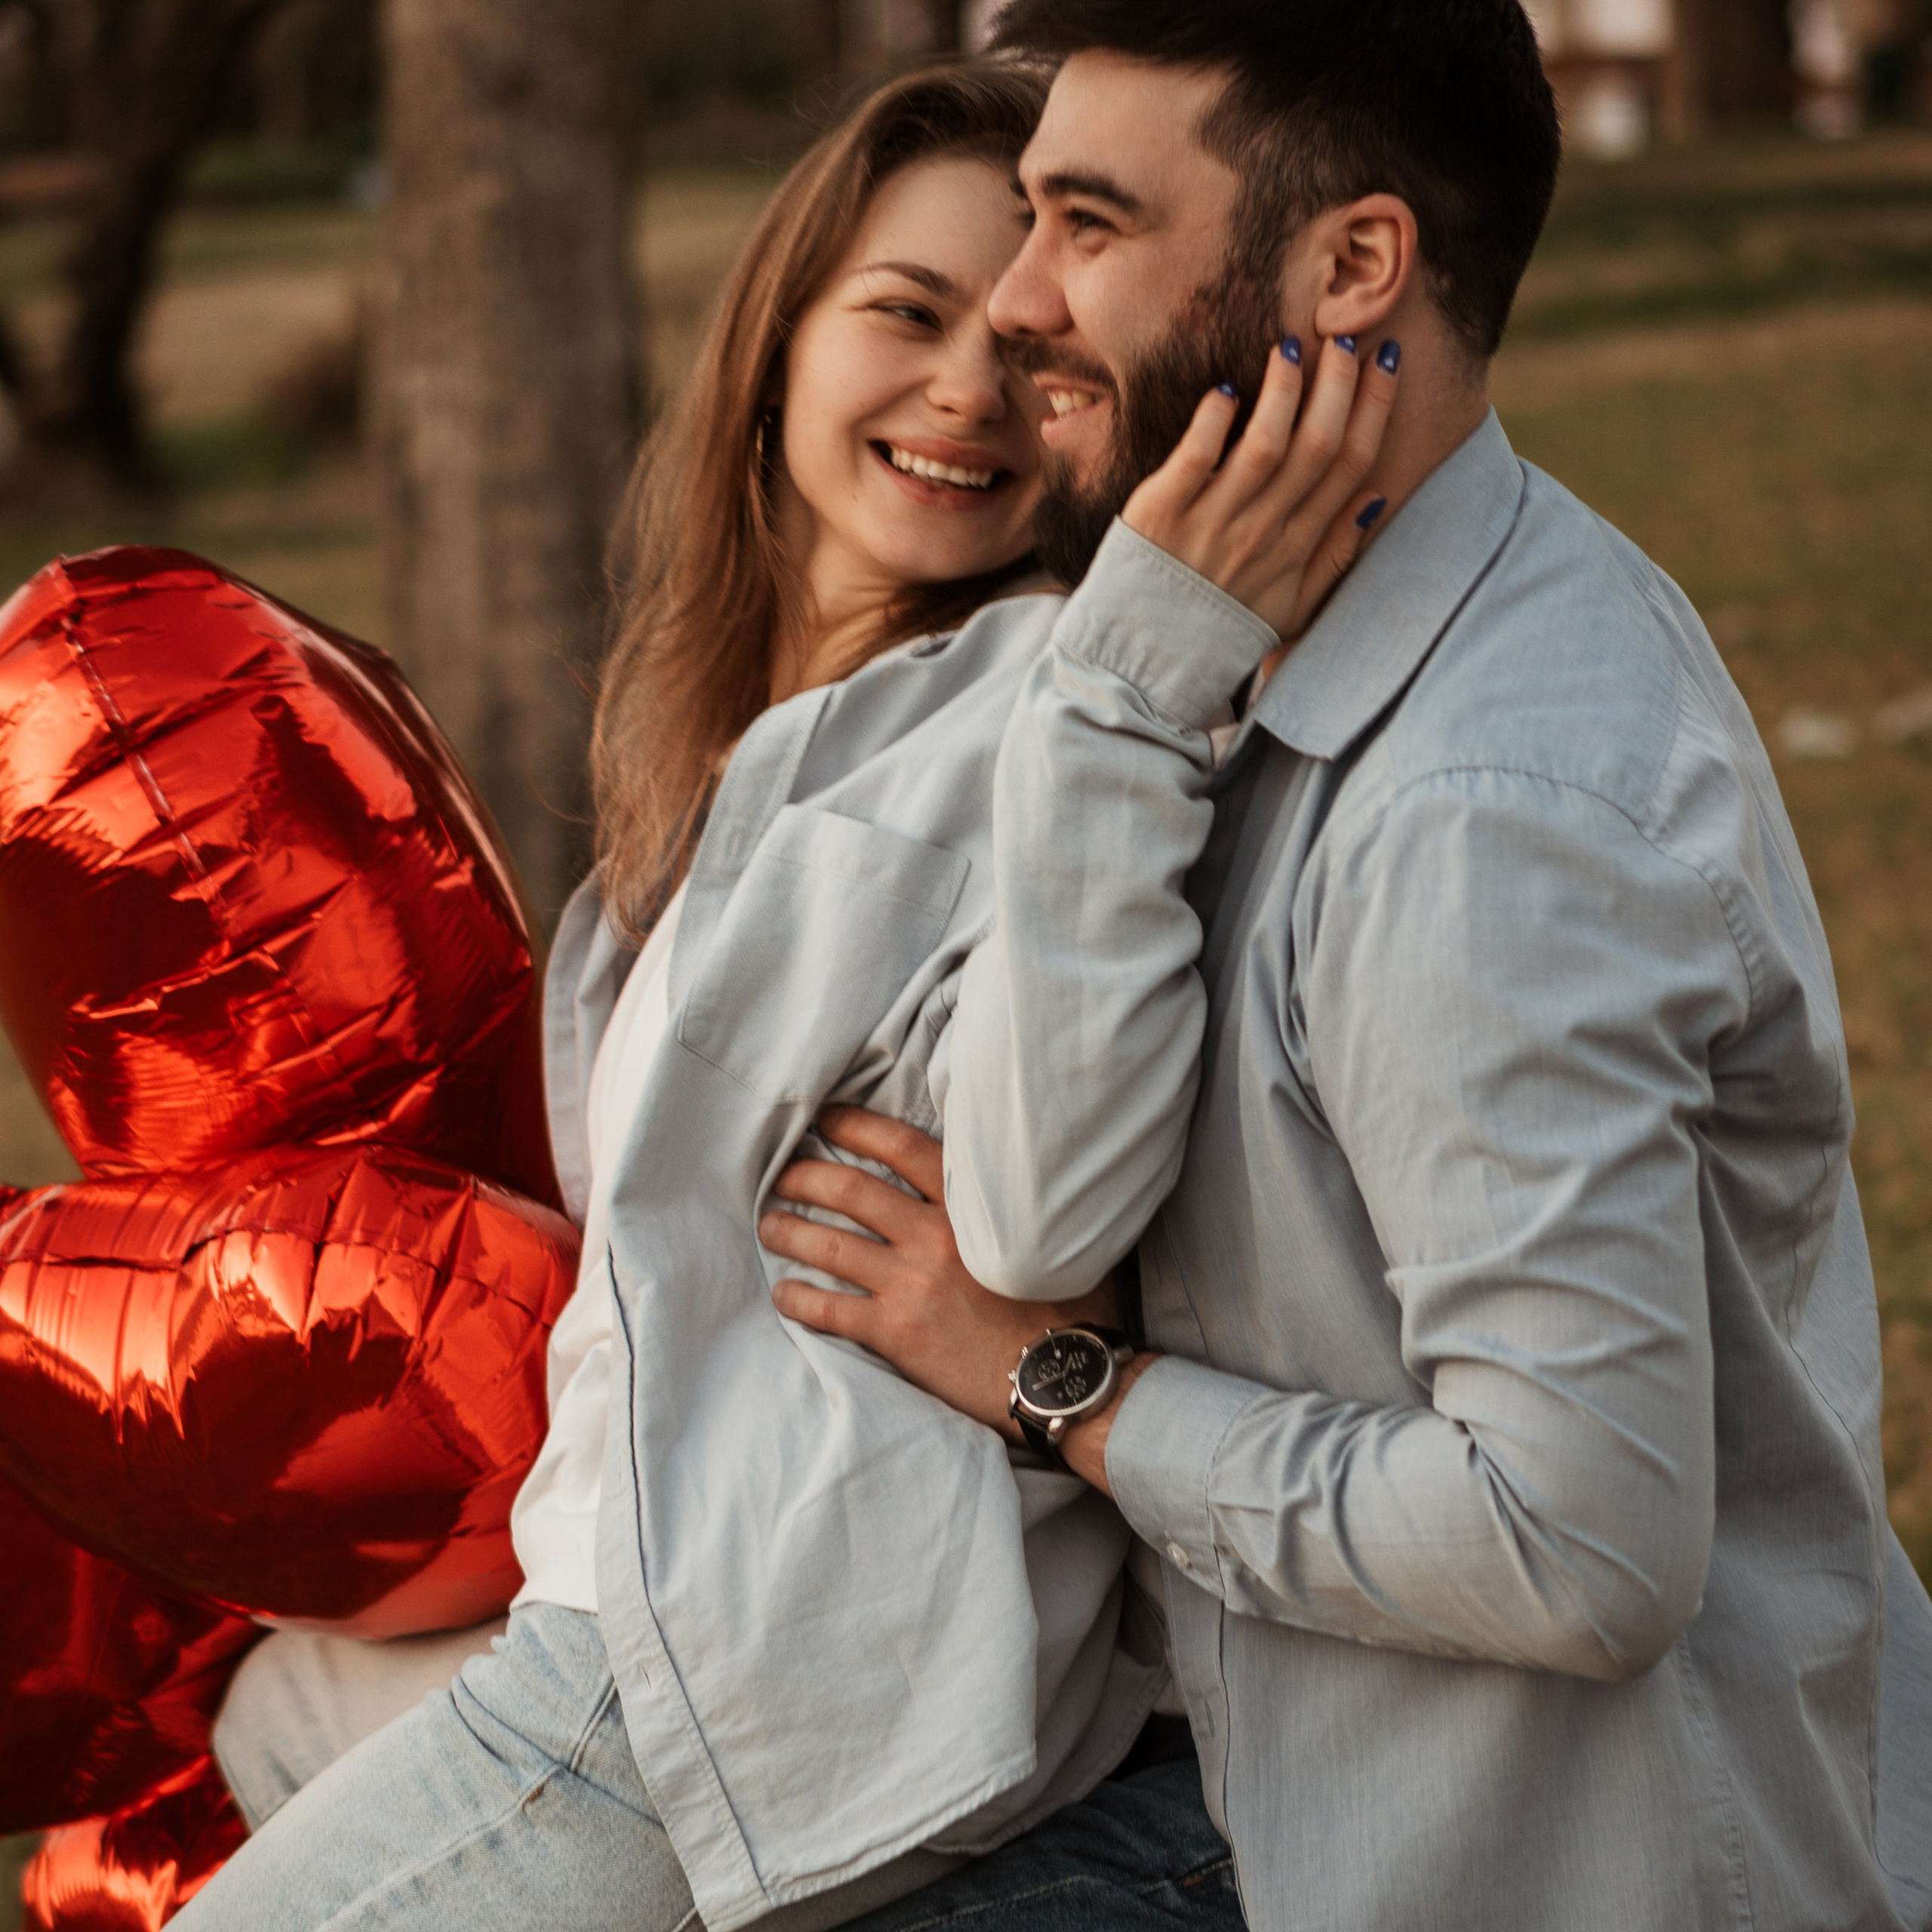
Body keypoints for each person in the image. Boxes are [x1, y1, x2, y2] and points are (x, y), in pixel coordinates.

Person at [764, 5, 1932, 1929]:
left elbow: (1572, 1539)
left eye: (1087, 224)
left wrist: (1063, 1389)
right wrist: (1119, 686)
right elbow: (1037, 1206)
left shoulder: (1478, 815)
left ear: (1352, 264)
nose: (1020, 299)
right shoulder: (1248, 643)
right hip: (1277, 1801)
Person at [188, 61, 1389, 1932]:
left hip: (735, 1656)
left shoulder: (1042, 709)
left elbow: (1056, 1197)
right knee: (266, 1709)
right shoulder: (730, 758)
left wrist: (1146, 649)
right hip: (620, 1579)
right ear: (777, 341)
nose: (967, 392)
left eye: (1033, 355)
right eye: (905, 313)